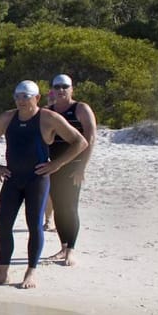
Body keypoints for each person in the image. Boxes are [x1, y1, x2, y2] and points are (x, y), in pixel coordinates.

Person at [0, 80, 87, 289]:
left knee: (34, 225)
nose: (21, 100)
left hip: (36, 180)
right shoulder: (7, 118)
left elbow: (80, 142)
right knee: (2, 224)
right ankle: (3, 273)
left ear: (37, 98)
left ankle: (31, 273)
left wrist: (57, 164)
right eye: (17, 96)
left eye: (26, 96)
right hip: (12, 179)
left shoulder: (48, 118)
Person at [45, 74, 97, 266]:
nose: (61, 90)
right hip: (54, 165)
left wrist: (82, 166)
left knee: (70, 207)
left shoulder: (81, 108)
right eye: (57, 87)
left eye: (64, 87)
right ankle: (63, 247)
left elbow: (90, 138)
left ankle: (71, 251)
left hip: (73, 166)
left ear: (71, 89)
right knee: (58, 207)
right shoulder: (49, 111)